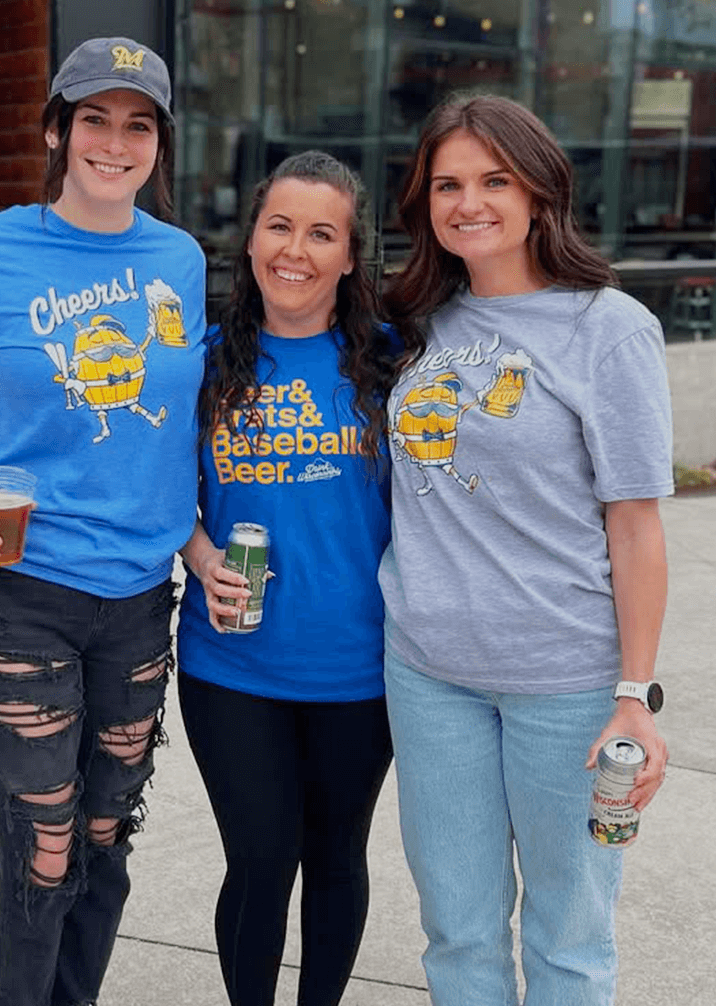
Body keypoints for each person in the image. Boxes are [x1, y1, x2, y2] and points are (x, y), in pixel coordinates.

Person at [0, 37, 206, 1006]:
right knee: (41, 844)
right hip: (17, 588)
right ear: (56, 130)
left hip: (139, 597)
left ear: (159, 143)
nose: (116, 143)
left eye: (138, 124)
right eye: (96, 120)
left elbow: (178, 427)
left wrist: (195, 536)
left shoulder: (181, 258)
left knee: (108, 834)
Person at [379, 94, 672, 1006]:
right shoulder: (418, 323)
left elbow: (635, 525)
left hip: (565, 684)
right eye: (447, 184)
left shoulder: (606, 327)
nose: (468, 202)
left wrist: (634, 696)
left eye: (493, 180)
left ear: (541, 188)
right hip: (429, 674)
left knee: (568, 934)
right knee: (456, 933)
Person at [176, 150, 413, 1006]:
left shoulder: (394, 366)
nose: (296, 250)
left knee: (335, 855)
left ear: (351, 257)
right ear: (250, 242)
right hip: (229, 664)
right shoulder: (201, 364)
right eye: (280, 226)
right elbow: (159, 498)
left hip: (360, 665)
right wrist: (200, 556)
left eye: (323, 234)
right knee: (261, 856)